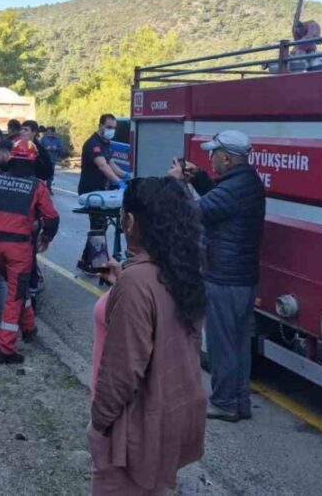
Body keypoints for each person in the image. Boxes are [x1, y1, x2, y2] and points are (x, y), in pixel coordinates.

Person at [89, 176, 207, 495]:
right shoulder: (181, 270)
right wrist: (122, 282)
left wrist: (98, 424)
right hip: (169, 418)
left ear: (129, 221)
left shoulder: (137, 283)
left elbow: (123, 371)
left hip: (132, 426)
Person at [168, 130, 265, 422]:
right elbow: (216, 204)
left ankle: (224, 403)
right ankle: (239, 402)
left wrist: (178, 185)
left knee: (224, 345)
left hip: (226, 278)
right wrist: (197, 179)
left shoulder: (236, 187)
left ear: (227, 157)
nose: (210, 158)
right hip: (241, 277)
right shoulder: (243, 182)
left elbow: (193, 212)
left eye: (213, 154)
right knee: (238, 344)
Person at [0, 139, 60, 364]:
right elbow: (52, 218)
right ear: (33, 161)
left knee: (17, 288)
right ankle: (4, 348)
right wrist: (46, 239)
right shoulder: (37, 187)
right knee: (15, 295)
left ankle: (29, 329)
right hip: (19, 249)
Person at [77, 114, 130, 275]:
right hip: (91, 191)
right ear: (100, 125)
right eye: (109, 127)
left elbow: (111, 163)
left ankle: (87, 261)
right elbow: (102, 166)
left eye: (113, 128)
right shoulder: (93, 144)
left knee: (100, 226)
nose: (111, 130)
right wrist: (118, 183)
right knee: (99, 226)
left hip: (102, 190)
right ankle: (98, 264)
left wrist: (125, 175)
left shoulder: (106, 143)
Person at [19, 120, 54, 186]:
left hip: (33, 186)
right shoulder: (14, 146)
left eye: (26, 130)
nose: (22, 132)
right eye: (21, 129)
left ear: (34, 132)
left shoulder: (40, 150)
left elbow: (49, 171)